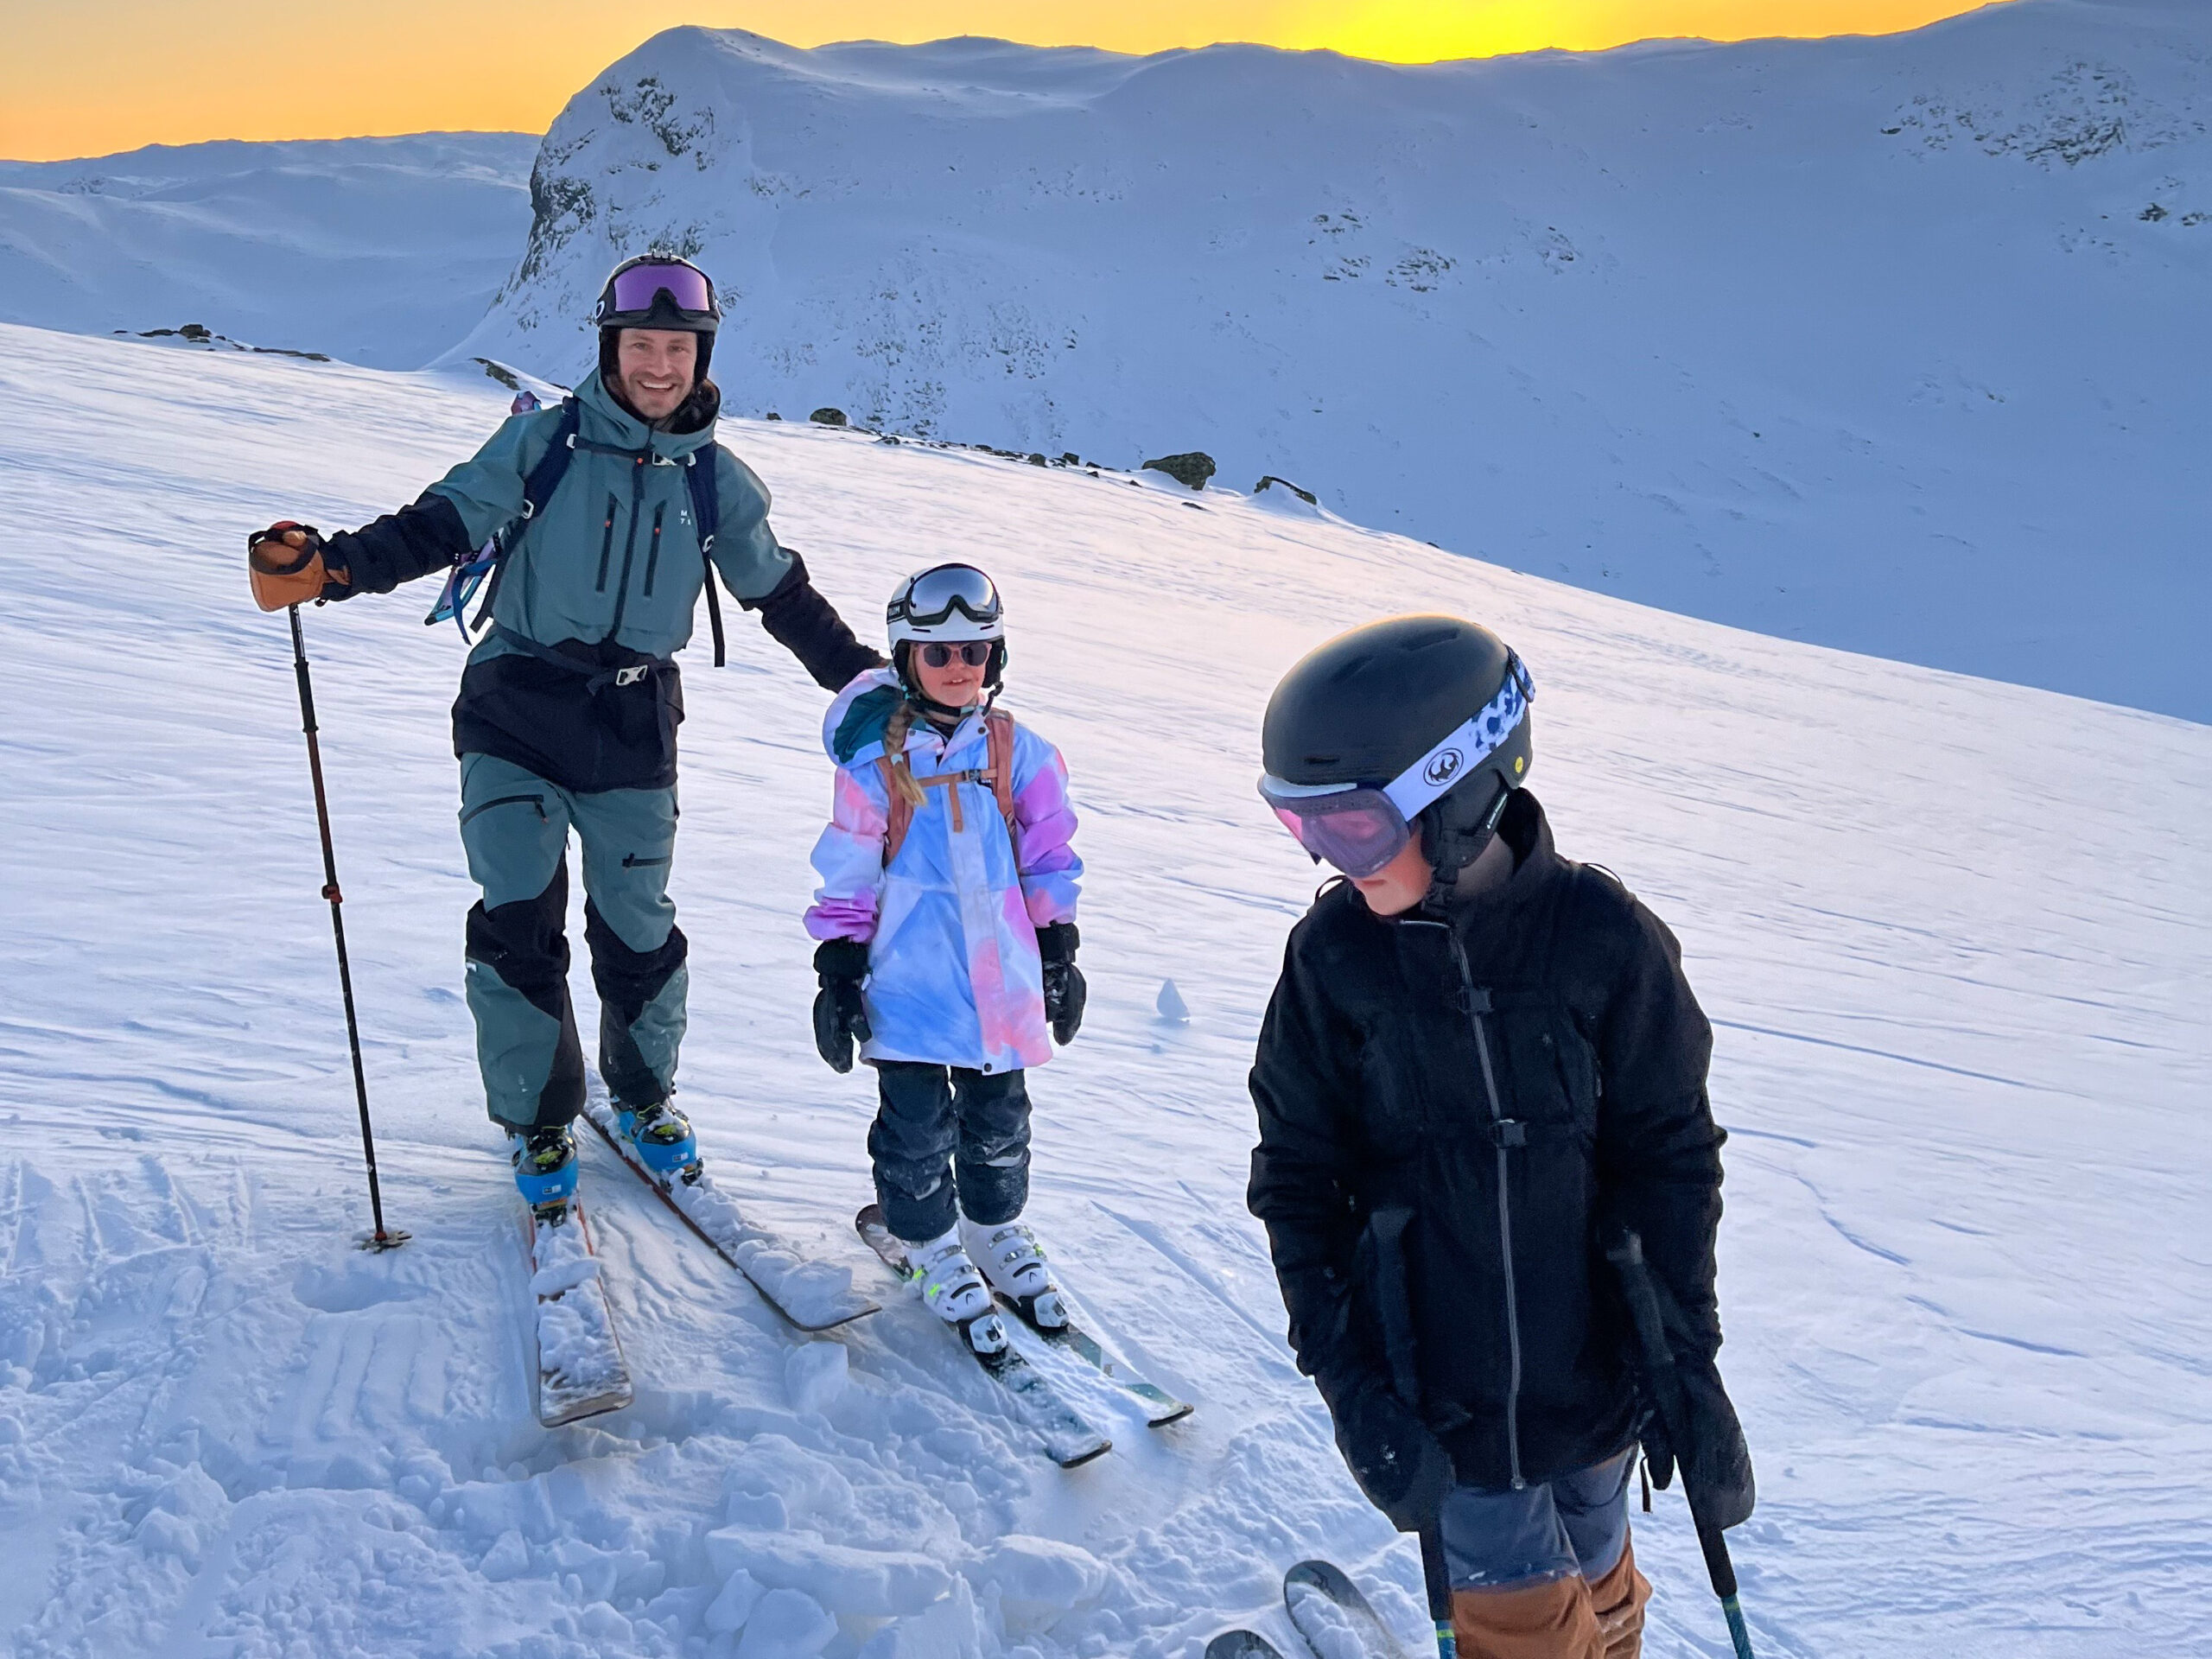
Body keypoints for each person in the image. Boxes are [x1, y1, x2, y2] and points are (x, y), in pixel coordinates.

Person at [244, 255, 881, 1213]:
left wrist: (868, 684)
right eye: (640, 345)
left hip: (634, 721)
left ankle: (644, 1096)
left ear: (702, 357)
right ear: (609, 348)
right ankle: (539, 1113)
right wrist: (333, 569)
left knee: (637, 928)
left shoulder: (716, 482)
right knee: (519, 919)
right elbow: (443, 523)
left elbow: (780, 594)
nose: (658, 366)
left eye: (677, 348)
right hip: (517, 705)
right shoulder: (544, 444)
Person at [1247, 615, 1734, 1659]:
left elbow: (1670, 1161)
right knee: (1525, 1630)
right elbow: (1297, 1182)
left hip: (1595, 1394)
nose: (1334, 861)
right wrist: (1353, 1391)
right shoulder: (1335, 962)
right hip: (1441, 1410)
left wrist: (1687, 1370)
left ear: (1459, 793)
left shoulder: (1603, 941)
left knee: (1601, 1591)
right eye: (1305, 830)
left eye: (1355, 828)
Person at [803, 563, 1085, 1351]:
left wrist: (1057, 950)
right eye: (939, 653)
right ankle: (927, 1241)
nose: (959, 667)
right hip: (911, 982)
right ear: (906, 660)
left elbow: (1048, 854)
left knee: (1001, 1120)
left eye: (975, 651)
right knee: (916, 1128)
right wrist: (839, 967)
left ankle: (993, 1230)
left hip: (999, 983)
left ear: (996, 657)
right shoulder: (876, 766)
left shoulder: (1019, 753)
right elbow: (850, 866)